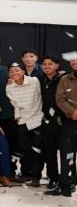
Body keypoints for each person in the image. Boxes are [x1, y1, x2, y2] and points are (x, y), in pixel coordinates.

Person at [6, 62, 43, 187]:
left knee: (37, 150)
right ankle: (25, 173)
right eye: (11, 71)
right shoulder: (9, 87)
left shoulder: (34, 81)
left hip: (37, 119)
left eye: (17, 70)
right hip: (22, 121)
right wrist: (18, 117)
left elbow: (41, 97)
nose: (14, 73)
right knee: (24, 149)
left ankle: (36, 176)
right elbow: (15, 104)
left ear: (23, 71)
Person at [45, 57, 77, 197]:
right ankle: (64, 185)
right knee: (67, 153)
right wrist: (73, 112)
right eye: (73, 60)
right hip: (70, 120)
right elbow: (60, 99)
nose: (75, 62)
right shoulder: (65, 79)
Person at [38, 54, 63, 189]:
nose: (47, 66)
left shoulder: (63, 79)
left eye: (50, 64)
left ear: (57, 66)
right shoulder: (40, 79)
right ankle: (53, 178)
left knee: (66, 151)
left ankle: (69, 177)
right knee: (49, 151)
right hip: (47, 120)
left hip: (63, 121)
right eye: (45, 64)